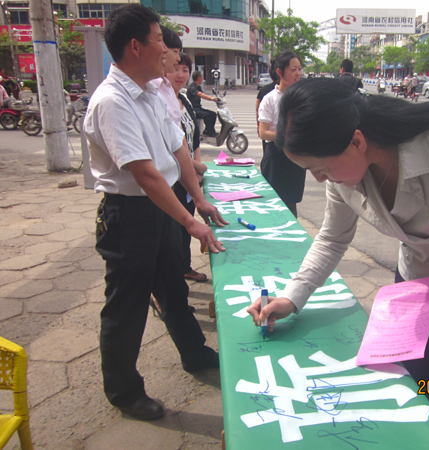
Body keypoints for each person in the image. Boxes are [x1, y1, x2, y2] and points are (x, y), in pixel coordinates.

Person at [248, 78, 429, 450]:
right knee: (426, 392)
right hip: (420, 288)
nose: (319, 179)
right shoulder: (344, 175)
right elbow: (333, 237)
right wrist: (293, 296)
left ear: (356, 141)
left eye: (319, 168)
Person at [84, 4, 228, 421]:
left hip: (166, 208)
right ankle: (124, 391)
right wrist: (189, 222)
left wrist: (198, 199)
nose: (166, 49)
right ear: (135, 47)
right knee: (126, 305)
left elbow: (177, 149)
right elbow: (145, 174)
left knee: (173, 288)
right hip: (130, 215)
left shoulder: (151, 92)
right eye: (158, 40)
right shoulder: (112, 101)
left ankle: (194, 353)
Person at [152, 29, 208, 284]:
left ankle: (179, 273)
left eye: (185, 68)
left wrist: (195, 176)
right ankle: (166, 289)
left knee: (181, 233)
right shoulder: (151, 96)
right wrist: (195, 166)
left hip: (184, 177)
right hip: (165, 184)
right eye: (174, 57)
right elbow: (163, 151)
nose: (178, 69)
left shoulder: (180, 99)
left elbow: (189, 139)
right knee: (170, 239)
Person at [257, 51, 305, 217]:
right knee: (273, 206)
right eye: (293, 69)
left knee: (291, 205)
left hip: (295, 157)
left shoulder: (303, 98)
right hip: (276, 158)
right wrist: (286, 137)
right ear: (280, 72)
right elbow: (263, 132)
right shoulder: (270, 99)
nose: (298, 73)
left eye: (299, 69)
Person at [187, 70, 219, 137]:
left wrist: (214, 99)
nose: (202, 79)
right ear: (199, 78)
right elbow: (200, 94)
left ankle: (207, 130)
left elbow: (204, 95)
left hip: (198, 108)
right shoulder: (192, 87)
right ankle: (211, 132)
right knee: (206, 115)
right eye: (202, 77)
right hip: (193, 109)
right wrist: (211, 98)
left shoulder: (198, 87)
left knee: (213, 114)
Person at [256, 60, 279, 147]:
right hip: (273, 141)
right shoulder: (270, 97)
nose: (298, 73)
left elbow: (257, 109)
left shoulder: (263, 90)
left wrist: (258, 125)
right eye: (293, 69)